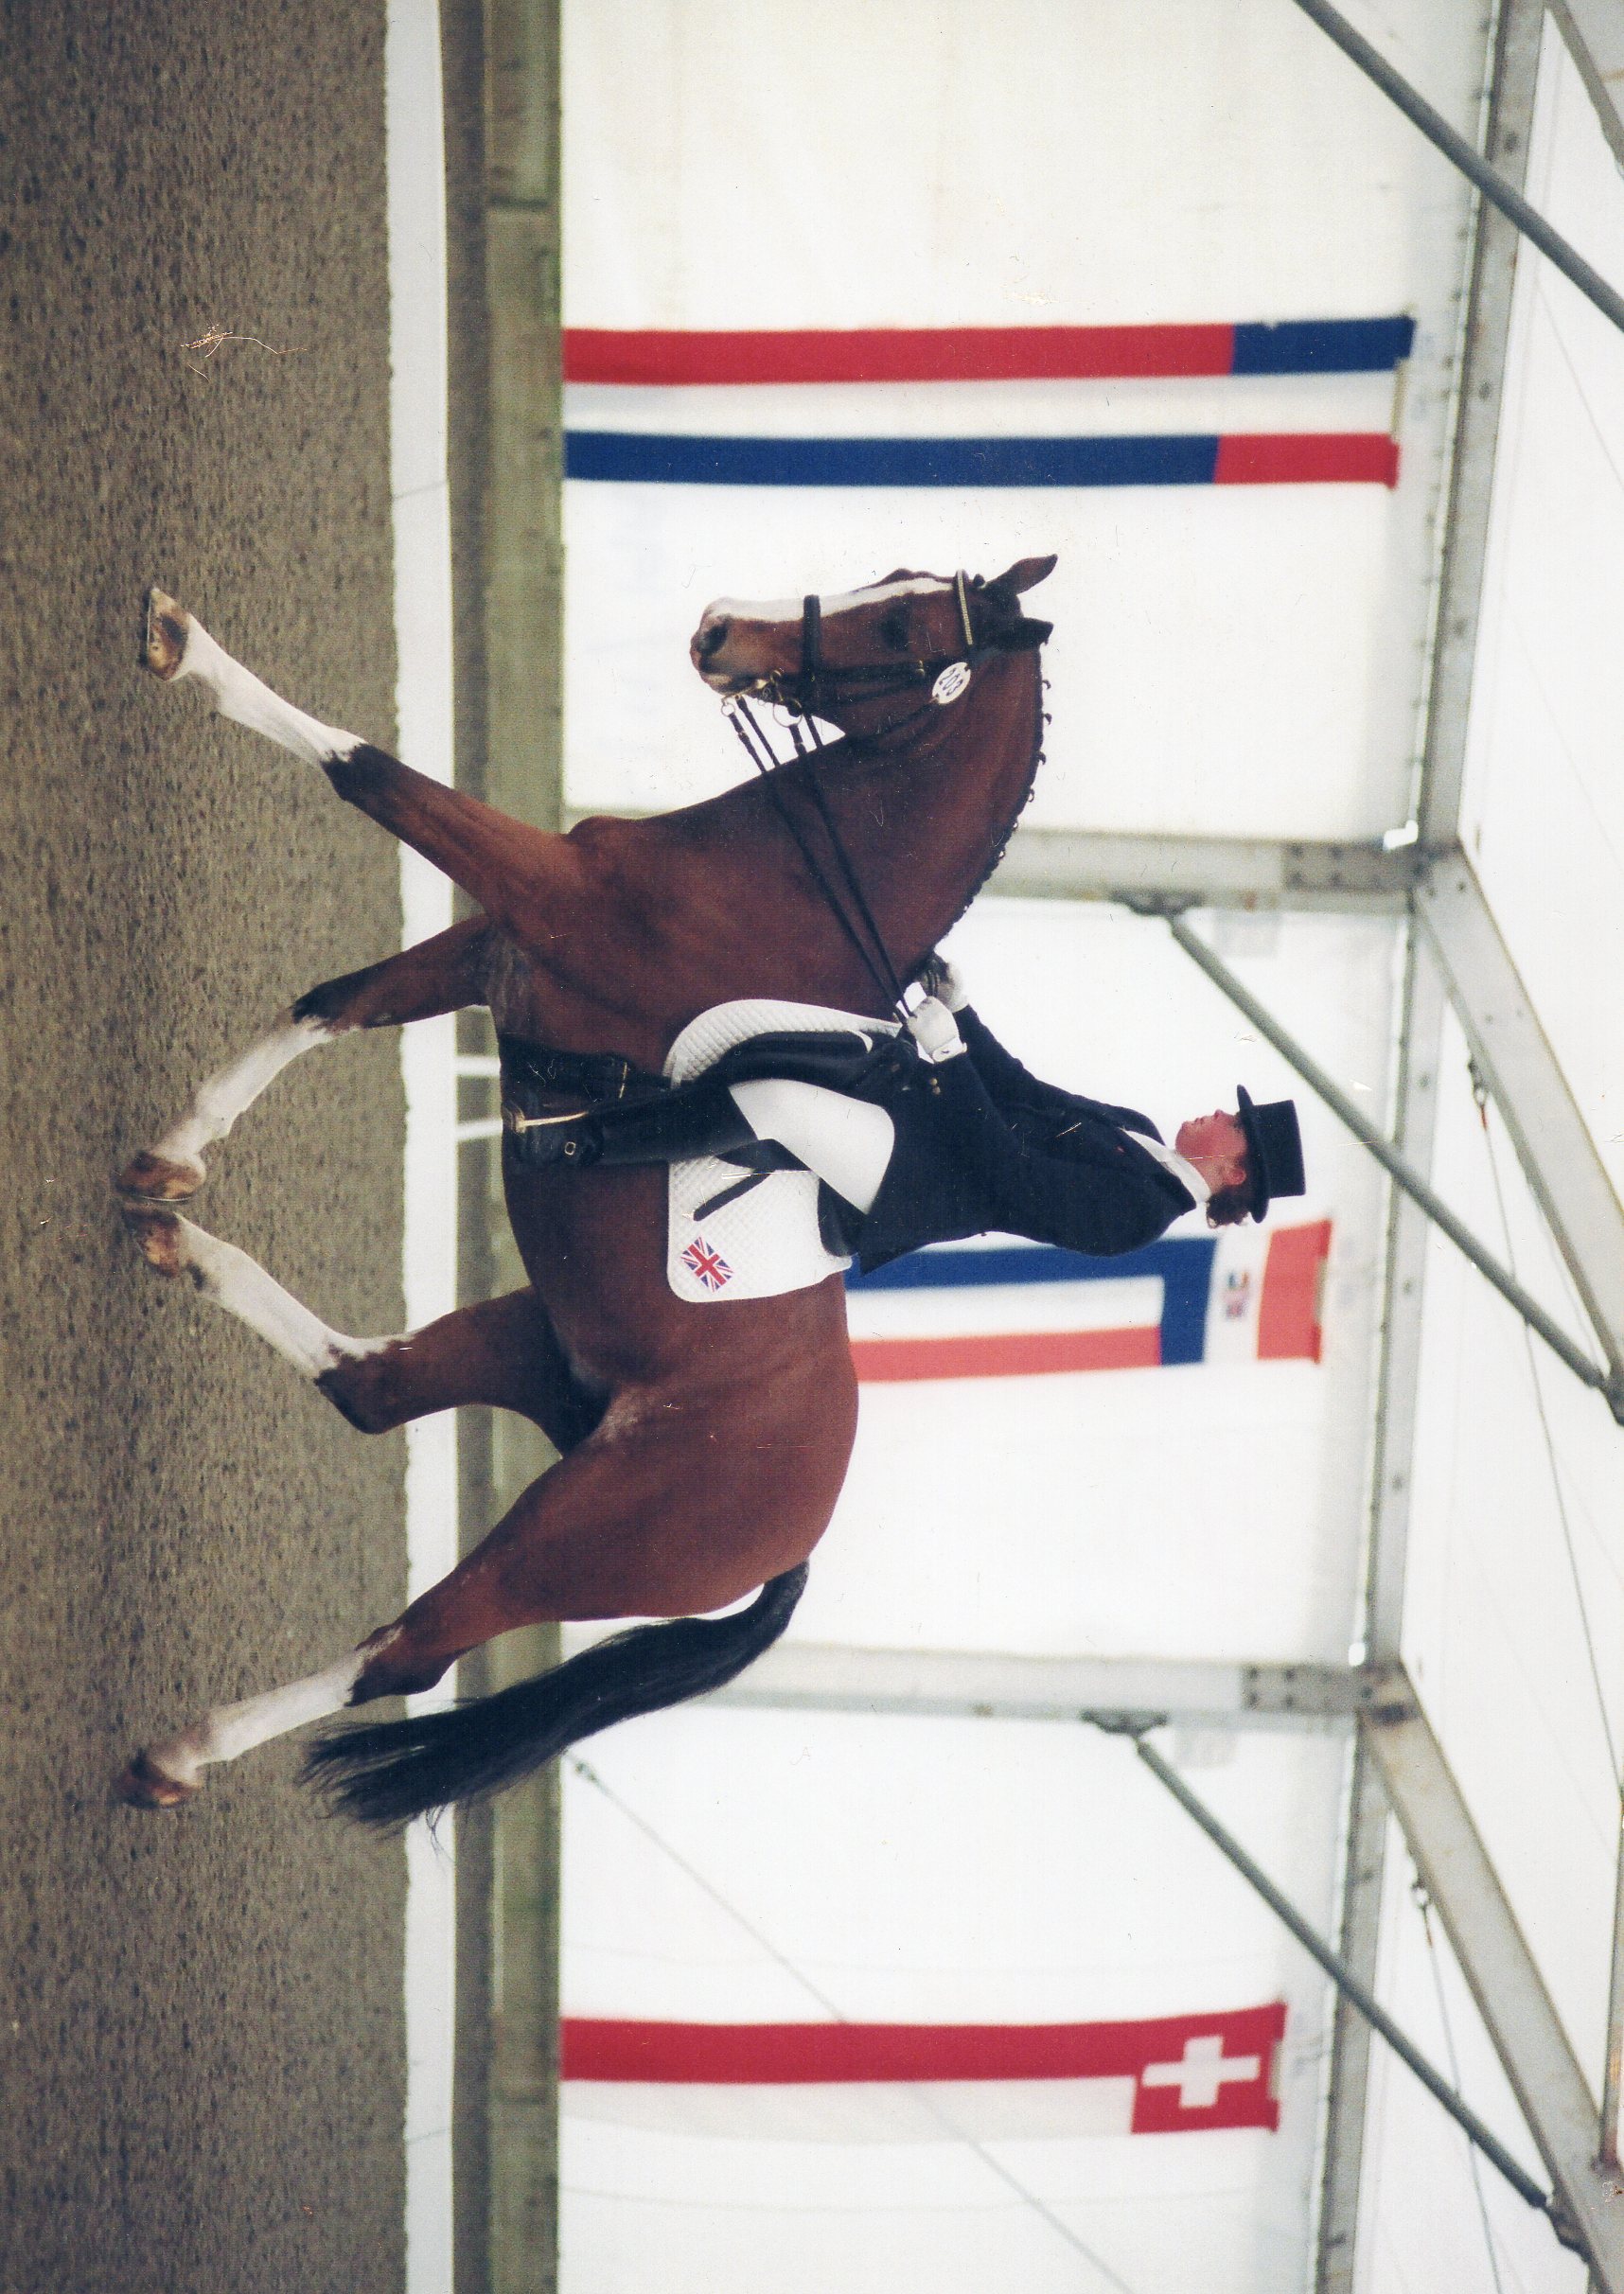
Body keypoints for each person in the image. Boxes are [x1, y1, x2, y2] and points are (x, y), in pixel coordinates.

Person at [503, 958, 1305, 1273]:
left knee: (779, 1107)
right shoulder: (1134, 1126)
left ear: (1233, 1169)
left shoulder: (1138, 1214)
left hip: (919, 1185)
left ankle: (573, 1145)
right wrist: (965, 1012)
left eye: (1229, 1121)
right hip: (929, 1125)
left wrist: (951, 1059)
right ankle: (589, 1071)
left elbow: (1010, 1176)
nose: (1212, 1112)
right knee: (819, 1029)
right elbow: (1025, 1092)